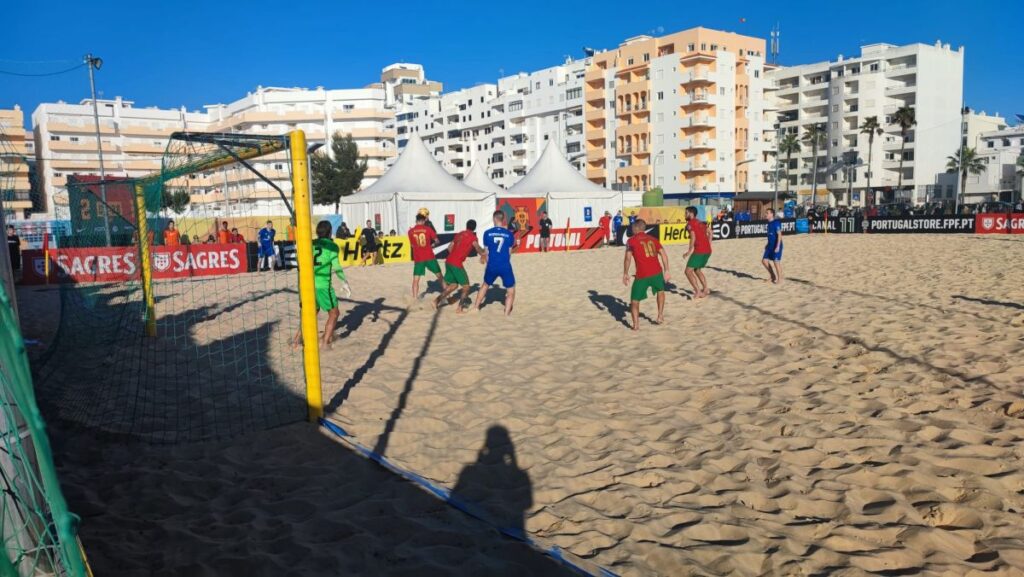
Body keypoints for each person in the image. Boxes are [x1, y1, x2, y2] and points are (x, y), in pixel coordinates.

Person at [293, 220, 349, 350]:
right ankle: (324, 343)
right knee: (334, 313)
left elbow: (299, 259)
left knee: (311, 313)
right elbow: (336, 267)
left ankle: (296, 341)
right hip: (323, 286)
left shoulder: (310, 243)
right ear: (330, 232)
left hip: (308, 284)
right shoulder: (332, 246)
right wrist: (344, 281)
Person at [623, 219, 669, 331]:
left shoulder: (631, 241)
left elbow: (628, 258)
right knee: (660, 291)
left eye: (632, 227)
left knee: (634, 300)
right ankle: (660, 315)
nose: (631, 229)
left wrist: (625, 273)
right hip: (657, 272)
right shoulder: (653, 239)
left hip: (642, 275)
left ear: (636, 228)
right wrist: (667, 270)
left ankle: (636, 325)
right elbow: (663, 254)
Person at [434, 219, 486, 313]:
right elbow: (477, 247)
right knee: (466, 287)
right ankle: (459, 308)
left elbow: (449, 247)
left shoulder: (459, 234)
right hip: (456, 263)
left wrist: (455, 255)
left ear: (466, 226)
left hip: (449, 261)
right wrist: (483, 253)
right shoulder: (473, 237)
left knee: (454, 285)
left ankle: (436, 301)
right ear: (474, 228)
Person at [475, 211, 517, 316]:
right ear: (503, 220)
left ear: (494, 219)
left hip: (492, 264)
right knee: (511, 290)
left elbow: (486, 252)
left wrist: (488, 263)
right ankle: (506, 313)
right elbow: (509, 253)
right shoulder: (509, 234)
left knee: (485, 285)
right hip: (505, 265)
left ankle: (476, 307)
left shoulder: (487, 233)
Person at [409, 213, 446, 301]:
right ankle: (447, 296)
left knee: (416, 280)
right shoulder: (428, 229)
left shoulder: (410, 231)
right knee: (440, 277)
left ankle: (414, 299)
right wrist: (432, 245)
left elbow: (412, 245)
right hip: (429, 256)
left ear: (416, 221)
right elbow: (437, 241)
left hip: (419, 258)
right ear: (423, 221)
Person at [682, 207, 712, 299]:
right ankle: (706, 289)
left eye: (686, 213)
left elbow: (693, 237)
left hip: (699, 250)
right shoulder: (700, 222)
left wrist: (689, 251)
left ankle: (698, 291)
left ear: (691, 213)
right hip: (707, 250)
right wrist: (708, 244)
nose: (684, 214)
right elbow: (710, 232)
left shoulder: (690, 224)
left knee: (688, 271)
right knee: (697, 270)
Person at [761, 208, 784, 284]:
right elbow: (771, 235)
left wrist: (778, 246)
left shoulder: (776, 222)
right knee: (764, 261)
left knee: (776, 261)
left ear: (772, 214)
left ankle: (780, 279)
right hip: (770, 245)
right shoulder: (769, 223)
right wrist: (767, 244)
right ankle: (773, 276)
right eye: (766, 213)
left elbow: (779, 235)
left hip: (776, 245)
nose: (766, 214)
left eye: (767, 213)